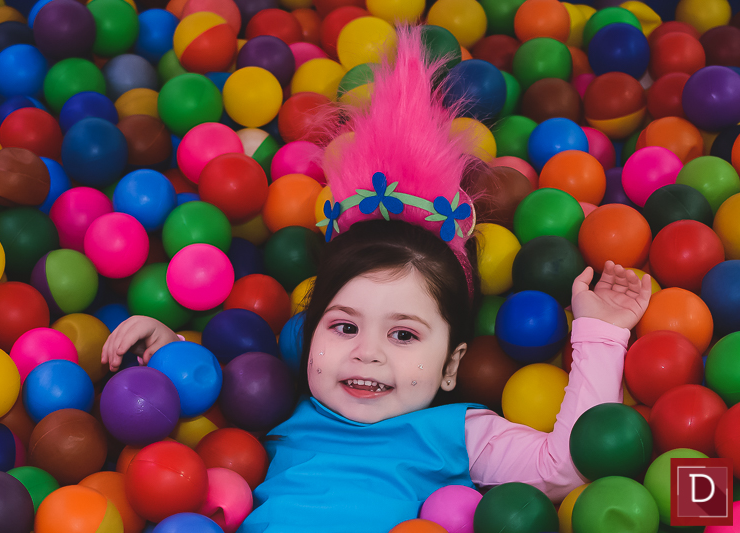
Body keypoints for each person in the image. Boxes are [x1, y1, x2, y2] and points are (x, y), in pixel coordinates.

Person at [101, 25, 653, 532]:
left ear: (451, 365)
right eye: (344, 327)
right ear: (308, 335)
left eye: (404, 334)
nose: (367, 353)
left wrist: (601, 332)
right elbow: (204, 388)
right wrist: (166, 352)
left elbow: (567, 465)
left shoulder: (457, 435)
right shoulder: (275, 401)